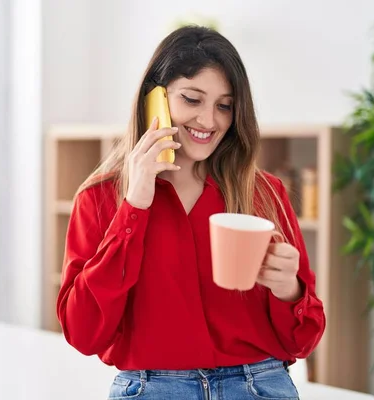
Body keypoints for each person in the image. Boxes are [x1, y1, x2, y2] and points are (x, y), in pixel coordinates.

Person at [56, 25, 325, 400]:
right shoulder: (101, 198)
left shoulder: (266, 194)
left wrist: (289, 290)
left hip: (258, 385)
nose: (209, 121)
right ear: (156, 98)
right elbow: (84, 332)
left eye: (224, 105)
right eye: (192, 99)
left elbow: (304, 338)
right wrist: (134, 207)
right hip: (151, 388)